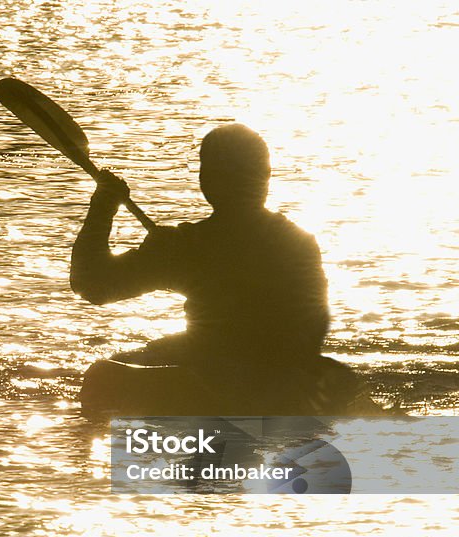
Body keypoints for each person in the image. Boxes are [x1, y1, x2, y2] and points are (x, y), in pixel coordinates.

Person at [71, 124, 342, 414]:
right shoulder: (301, 243)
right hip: (286, 385)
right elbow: (313, 326)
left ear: (207, 181)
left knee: (101, 375)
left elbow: (92, 284)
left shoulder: (186, 246)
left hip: (218, 389)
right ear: (265, 178)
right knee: (164, 347)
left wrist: (103, 206)